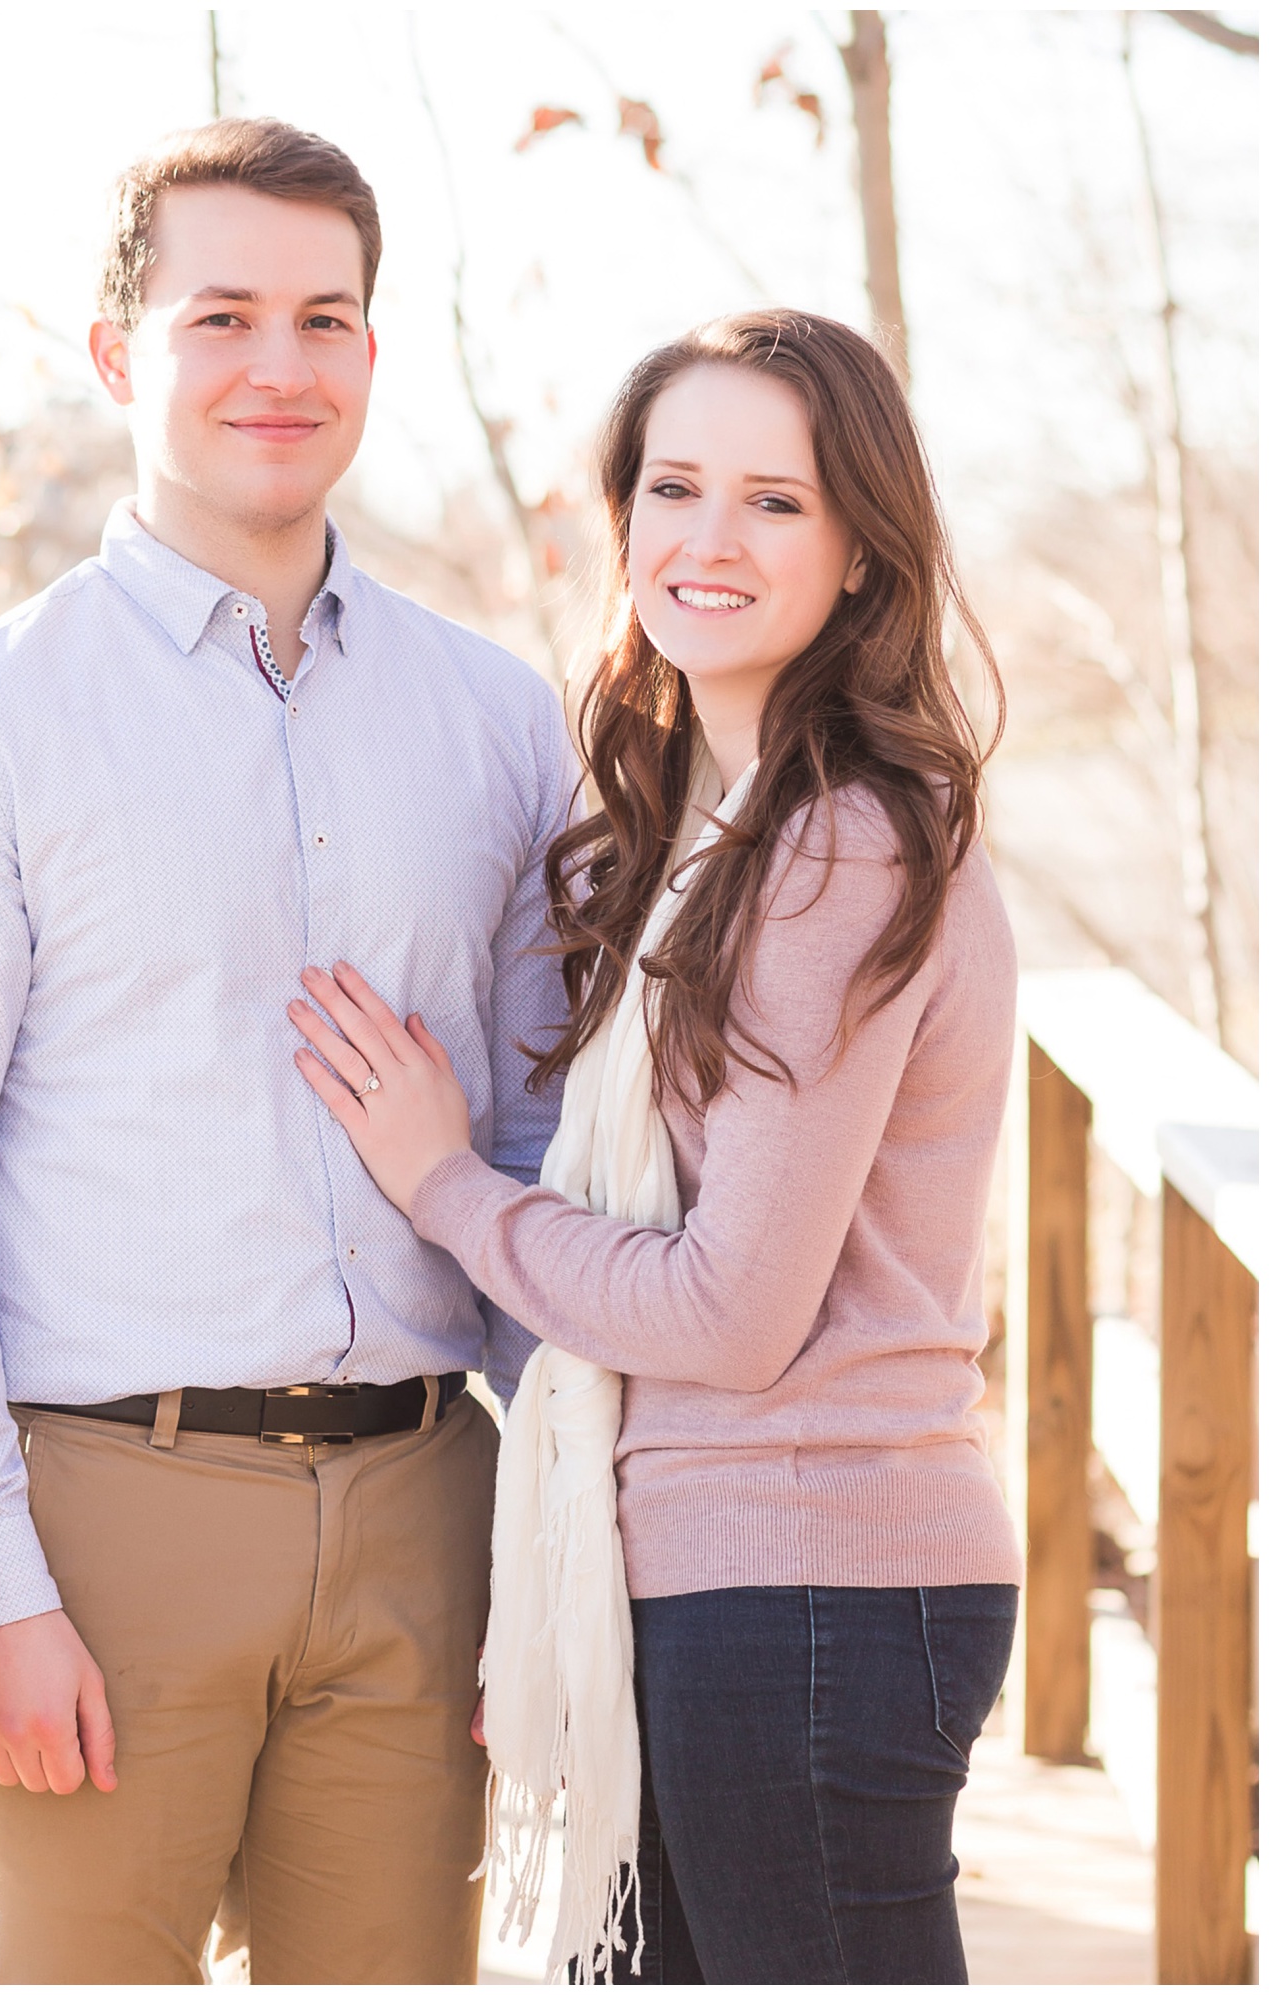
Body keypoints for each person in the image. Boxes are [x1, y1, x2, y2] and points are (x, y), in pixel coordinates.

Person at [0, 118, 576, 1986]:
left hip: (428, 1513)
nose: (280, 365)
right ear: (115, 353)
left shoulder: (492, 717)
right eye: (221, 313)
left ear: (375, 357)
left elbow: (552, 1148)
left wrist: (552, 1547)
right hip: (104, 1527)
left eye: (327, 318)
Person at [289, 310, 1024, 1986]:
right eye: (674, 486)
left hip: (814, 1583)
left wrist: (443, 1181)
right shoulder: (713, 829)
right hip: (722, 1584)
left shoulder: (840, 841)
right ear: (618, 524)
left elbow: (726, 1314)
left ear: (859, 554)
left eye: (777, 500)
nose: (709, 538)